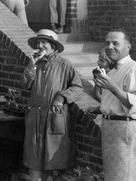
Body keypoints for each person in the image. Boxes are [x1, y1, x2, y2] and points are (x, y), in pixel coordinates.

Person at [21, 29, 83, 181]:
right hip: (35, 116)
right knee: (34, 157)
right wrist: (32, 65)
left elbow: (77, 87)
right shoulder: (35, 63)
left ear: (53, 46)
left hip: (53, 116)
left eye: (44, 43)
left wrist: (61, 97)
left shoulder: (64, 64)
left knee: (52, 158)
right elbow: (25, 84)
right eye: (38, 43)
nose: (40, 46)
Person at [91, 28, 136, 181]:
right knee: (113, 176)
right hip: (110, 128)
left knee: (125, 175)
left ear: (128, 46)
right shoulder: (111, 71)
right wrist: (101, 108)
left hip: (125, 129)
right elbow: (115, 101)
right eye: (108, 43)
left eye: (115, 43)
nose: (110, 46)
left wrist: (112, 87)